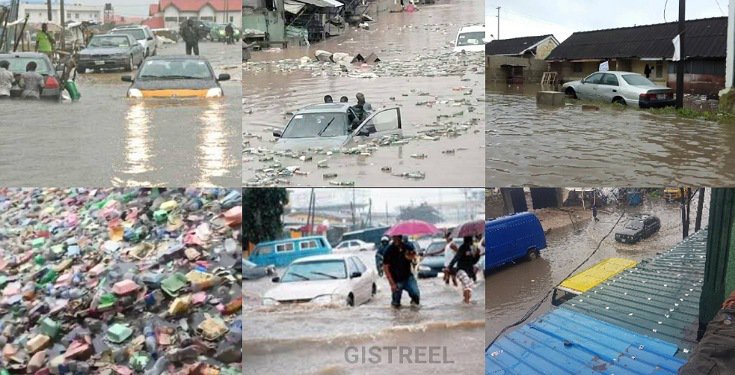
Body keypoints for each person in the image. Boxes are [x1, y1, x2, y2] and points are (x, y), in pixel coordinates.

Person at [382, 234, 420, 307]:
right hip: (396, 280)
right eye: (394, 238)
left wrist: (411, 257)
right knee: (396, 303)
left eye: (398, 238)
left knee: (415, 293)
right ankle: (396, 315)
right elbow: (385, 267)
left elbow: (414, 260)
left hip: (408, 277)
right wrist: (392, 283)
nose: (396, 240)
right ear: (392, 238)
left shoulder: (407, 247)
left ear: (401, 238)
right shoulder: (389, 250)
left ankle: (414, 310)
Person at [448, 236, 481, 303]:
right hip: (461, 270)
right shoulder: (462, 247)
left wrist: (478, 254)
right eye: (472, 240)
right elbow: (457, 257)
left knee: (469, 286)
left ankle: (465, 301)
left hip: (468, 271)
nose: (473, 241)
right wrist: (450, 266)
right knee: (467, 285)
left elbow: (473, 261)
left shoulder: (471, 249)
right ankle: (467, 303)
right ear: (469, 240)